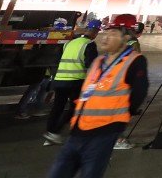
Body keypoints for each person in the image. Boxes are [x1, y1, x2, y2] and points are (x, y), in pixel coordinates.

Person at [45, 15, 148, 178]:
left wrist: (120, 117)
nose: (106, 37)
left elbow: (139, 93)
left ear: (127, 36)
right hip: (78, 129)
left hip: (104, 131)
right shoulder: (98, 61)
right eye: (105, 32)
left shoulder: (134, 61)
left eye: (113, 33)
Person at [44, 20, 101, 145]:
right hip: (75, 81)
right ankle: (56, 132)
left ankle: (49, 133)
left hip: (59, 79)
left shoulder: (69, 43)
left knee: (57, 107)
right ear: (95, 32)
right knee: (75, 107)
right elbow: (91, 65)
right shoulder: (89, 44)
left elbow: (59, 60)